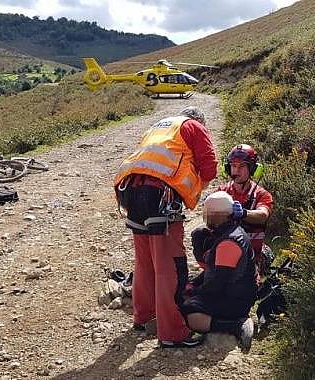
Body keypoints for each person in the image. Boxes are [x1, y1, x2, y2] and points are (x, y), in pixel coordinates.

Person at [114, 106, 217, 348]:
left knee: (144, 261)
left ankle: (144, 317)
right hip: (160, 196)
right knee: (169, 265)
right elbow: (210, 167)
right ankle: (172, 332)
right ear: (199, 120)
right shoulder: (193, 126)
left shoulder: (159, 127)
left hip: (130, 190)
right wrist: (190, 189)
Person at [181, 191, 257, 352]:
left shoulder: (229, 242)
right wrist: (193, 284)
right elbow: (215, 272)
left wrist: (194, 293)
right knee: (187, 294)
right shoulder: (231, 233)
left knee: (189, 311)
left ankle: (234, 325)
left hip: (235, 299)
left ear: (216, 215)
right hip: (236, 293)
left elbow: (218, 282)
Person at [219, 144, 274, 273]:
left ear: (253, 169)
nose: (236, 171)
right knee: (199, 234)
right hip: (224, 251)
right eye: (233, 166)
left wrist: (244, 213)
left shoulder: (261, 194)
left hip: (251, 254)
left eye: (242, 166)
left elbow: (263, 215)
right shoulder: (222, 191)